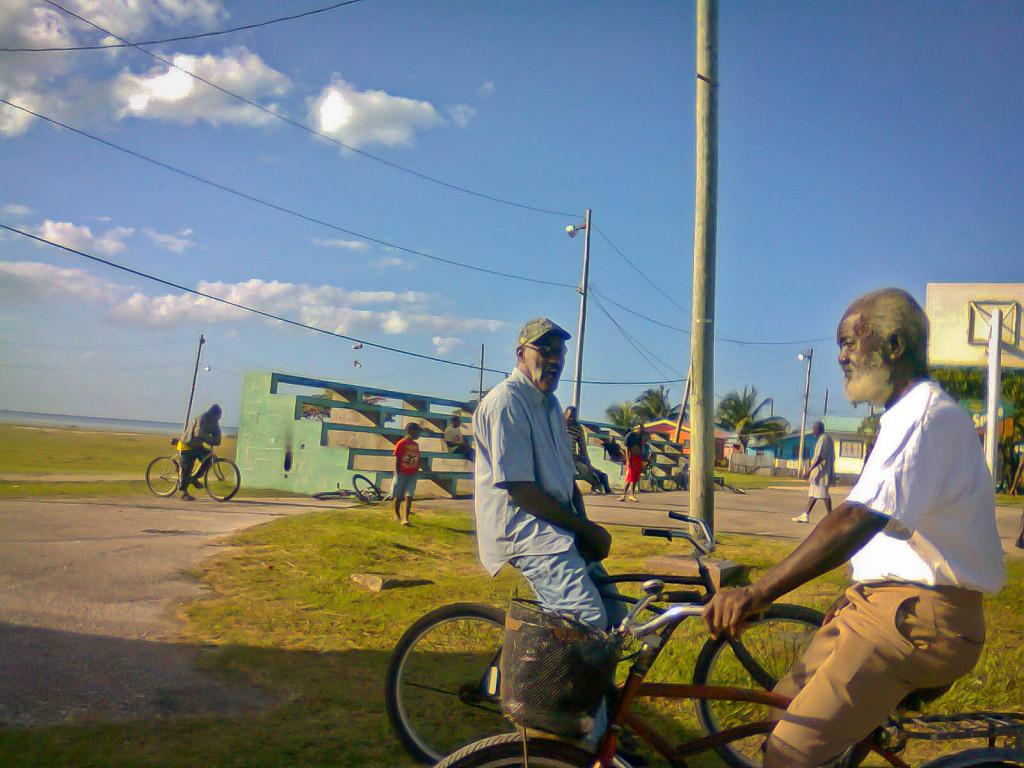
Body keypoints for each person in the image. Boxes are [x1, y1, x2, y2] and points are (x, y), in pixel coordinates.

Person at [703, 287, 1005, 768]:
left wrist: (758, 592)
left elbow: (857, 518)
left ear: (893, 346)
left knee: (787, 753)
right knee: (780, 715)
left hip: (915, 620)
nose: (842, 356)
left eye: (850, 342)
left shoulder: (923, 416)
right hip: (879, 610)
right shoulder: (904, 417)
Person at [473, 317, 623, 632]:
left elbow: (567, 483)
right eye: (544, 349)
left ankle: (588, 682)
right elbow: (520, 489)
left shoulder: (551, 405)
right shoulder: (506, 402)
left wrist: (586, 530)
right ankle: (545, 680)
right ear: (520, 354)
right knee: (588, 622)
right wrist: (585, 528)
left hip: (559, 529)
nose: (554, 359)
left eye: (559, 352)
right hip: (527, 533)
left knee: (619, 618)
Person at [792, 421, 835, 524]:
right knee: (813, 494)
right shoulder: (823, 438)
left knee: (823, 494)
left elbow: (820, 456)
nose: (813, 431)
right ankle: (806, 515)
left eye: (814, 429)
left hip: (821, 472)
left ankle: (831, 517)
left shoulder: (824, 439)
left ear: (818, 429)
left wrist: (809, 470)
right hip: (818, 472)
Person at [178, 403, 222, 501]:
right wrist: (210, 439)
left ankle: (195, 478)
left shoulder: (214, 422)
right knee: (187, 467)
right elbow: (198, 433)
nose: (218, 419)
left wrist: (216, 439)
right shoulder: (202, 418)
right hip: (187, 444)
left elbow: (217, 434)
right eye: (217, 416)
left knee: (209, 458)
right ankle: (183, 492)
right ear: (212, 414)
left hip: (197, 445)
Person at [564, 405, 611, 494]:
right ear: (565, 414)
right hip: (558, 457)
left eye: (573, 417)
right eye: (569, 416)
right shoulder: (557, 423)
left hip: (573, 459)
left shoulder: (577, 428)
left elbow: (582, 446)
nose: (570, 419)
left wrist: (587, 462)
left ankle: (598, 486)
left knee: (588, 471)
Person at [392, 422, 421, 525]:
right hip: (402, 473)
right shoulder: (401, 443)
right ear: (412, 432)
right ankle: (396, 514)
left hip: (413, 474)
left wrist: (417, 469)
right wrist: (397, 473)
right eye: (418, 432)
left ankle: (405, 518)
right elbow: (397, 458)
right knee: (398, 496)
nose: (419, 435)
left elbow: (417, 458)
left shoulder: (416, 445)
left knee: (409, 496)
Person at [619, 423, 646, 502]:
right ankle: (623, 494)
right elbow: (626, 448)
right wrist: (628, 459)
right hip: (631, 457)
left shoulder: (640, 436)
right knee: (629, 477)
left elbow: (641, 447)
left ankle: (632, 494)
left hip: (638, 457)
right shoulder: (630, 435)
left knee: (635, 477)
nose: (641, 430)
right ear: (636, 428)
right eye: (640, 428)